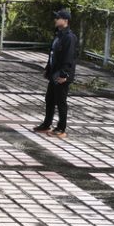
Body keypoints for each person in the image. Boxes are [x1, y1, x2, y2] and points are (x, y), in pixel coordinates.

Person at [32, 9, 78, 139]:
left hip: (62, 75)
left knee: (61, 101)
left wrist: (64, 75)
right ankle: (47, 124)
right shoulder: (59, 34)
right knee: (50, 99)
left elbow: (69, 58)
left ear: (65, 20)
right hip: (54, 73)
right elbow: (53, 54)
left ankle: (61, 128)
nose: (55, 20)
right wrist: (48, 68)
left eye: (58, 18)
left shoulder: (69, 37)